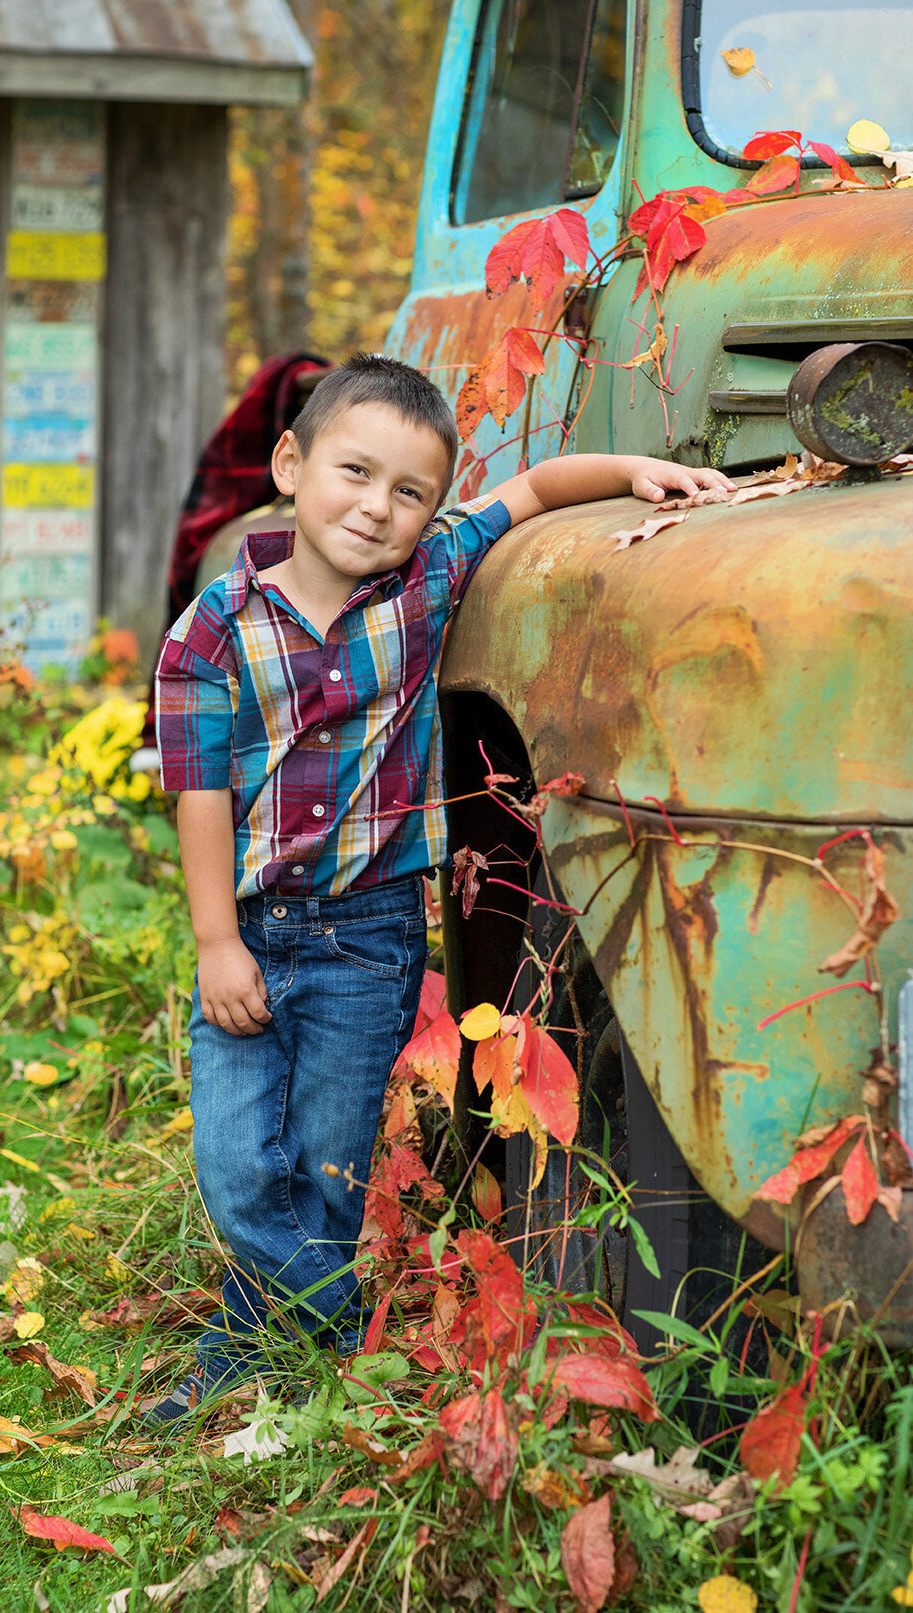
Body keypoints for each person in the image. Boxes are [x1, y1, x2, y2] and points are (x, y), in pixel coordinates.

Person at [146, 353, 734, 1425]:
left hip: (369, 936)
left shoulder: (428, 579)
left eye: (408, 491)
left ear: (430, 510)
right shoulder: (210, 631)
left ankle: (259, 1342)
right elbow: (196, 792)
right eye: (353, 472)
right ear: (291, 463)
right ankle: (328, 1321)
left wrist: (640, 472)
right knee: (238, 1167)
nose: (376, 506)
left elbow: (535, 488)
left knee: (330, 1162)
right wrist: (214, 940)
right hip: (254, 927)